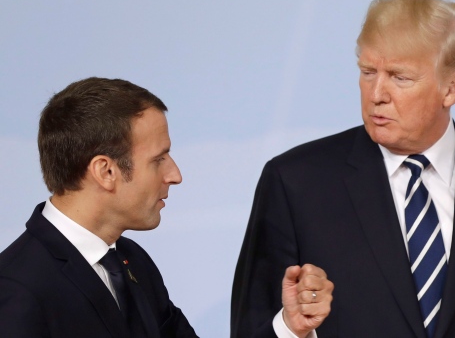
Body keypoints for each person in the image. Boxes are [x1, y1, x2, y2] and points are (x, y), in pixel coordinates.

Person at [232, 0, 455, 338]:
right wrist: (291, 329)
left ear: (452, 88)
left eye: (400, 77)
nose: (376, 93)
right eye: (367, 72)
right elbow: (252, 330)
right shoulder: (295, 183)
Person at [0, 77, 333, 338]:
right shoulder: (17, 290)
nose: (175, 175)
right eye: (158, 160)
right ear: (106, 171)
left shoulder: (133, 264)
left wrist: (290, 326)